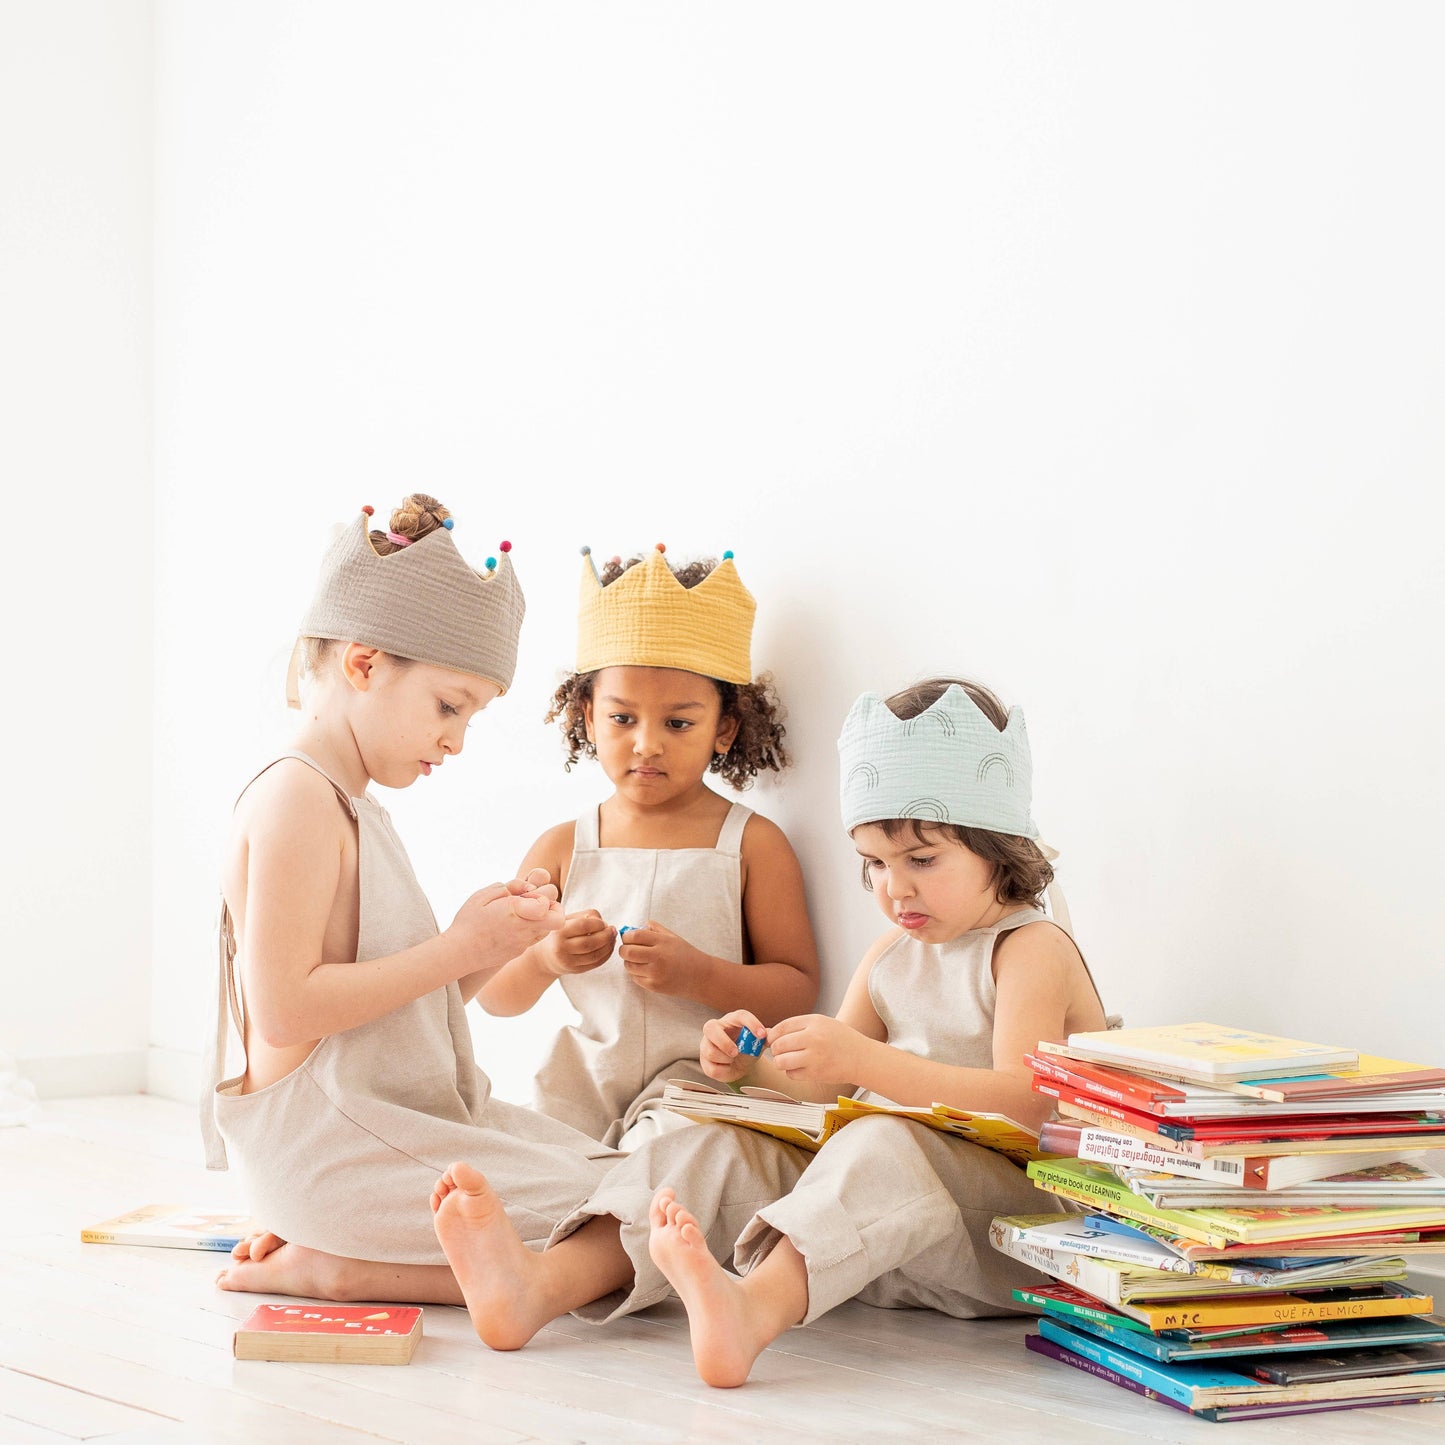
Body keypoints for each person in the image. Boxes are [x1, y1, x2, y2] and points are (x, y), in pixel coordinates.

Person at [429, 676, 1109, 1383]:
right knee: (725, 1145)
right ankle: (540, 1284)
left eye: (921, 858)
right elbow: (825, 1084)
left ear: (995, 847)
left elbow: (1026, 1106)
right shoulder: (890, 955)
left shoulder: (1029, 947)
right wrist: (747, 1065)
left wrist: (866, 1060)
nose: (893, 887)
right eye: (873, 862)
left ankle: (752, 1306)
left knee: (884, 1135)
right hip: (885, 1238)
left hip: (1018, 1237)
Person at [202, 495, 618, 1305]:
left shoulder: (349, 803)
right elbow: (286, 1011)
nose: (457, 739)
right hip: (333, 1152)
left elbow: (384, 1014)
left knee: (638, 1183)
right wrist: (456, 948)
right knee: (641, 1216)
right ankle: (343, 1264)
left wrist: (488, 943)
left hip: (371, 1133)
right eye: (448, 706)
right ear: (362, 664)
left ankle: (372, 1257)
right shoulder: (296, 798)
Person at [477, 544, 820, 1149]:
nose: (647, 745)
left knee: (658, 1166)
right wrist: (545, 959)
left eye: (679, 723)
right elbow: (494, 995)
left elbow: (797, 988)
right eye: (622, 719)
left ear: (725, 729)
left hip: (701, 1086)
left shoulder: (752, 844)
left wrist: (700, 974)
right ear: (587, 718)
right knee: (521, 1163)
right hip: (579, 1083)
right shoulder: (561, 847)